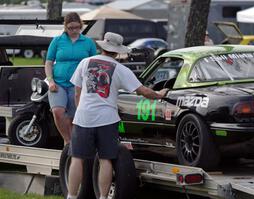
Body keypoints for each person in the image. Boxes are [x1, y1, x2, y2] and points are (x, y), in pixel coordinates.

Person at [67, 32, 168, 199]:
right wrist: (160, 94)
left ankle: (71, 196)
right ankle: (103, 197)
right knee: (106, 160)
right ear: (117, 50)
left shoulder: (85, 63)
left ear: (104, 47)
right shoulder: (121, 69)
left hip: (84, 117)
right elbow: (143, 91)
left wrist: (81, 111)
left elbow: (77, 92)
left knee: (77, 158)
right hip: (107, 119)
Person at [44, 12, 97, 144]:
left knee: (74, 117)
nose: (74, 31)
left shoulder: (88, 42)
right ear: (65, 27)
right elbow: (49, 62)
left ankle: (75, 144)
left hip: (78, 85)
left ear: (81, 26)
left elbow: (94, 64)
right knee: (57, 111)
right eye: (70, 28)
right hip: (58, 83)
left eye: (77, 27)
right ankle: (67, 141)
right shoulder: (57, 41)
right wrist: (50, 80)